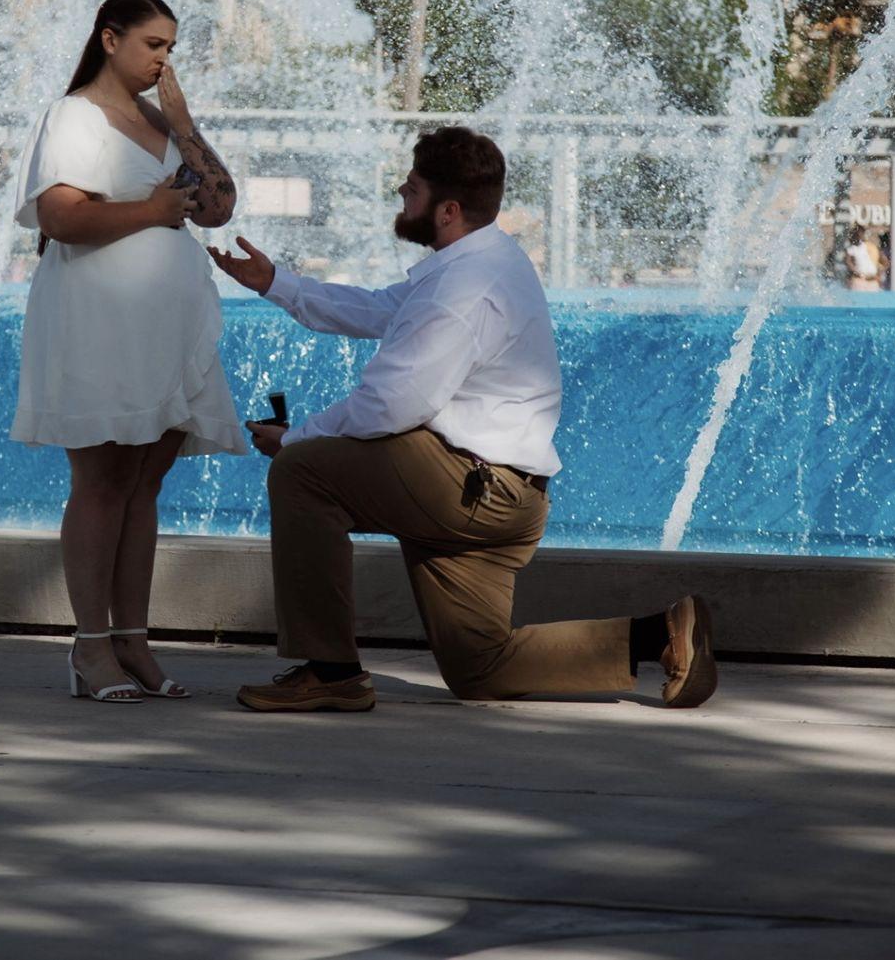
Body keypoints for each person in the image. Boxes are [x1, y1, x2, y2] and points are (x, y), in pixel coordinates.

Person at [208, 126, 717, 714]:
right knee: (479, 668)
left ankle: (330, 671)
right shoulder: (482, 260)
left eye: (413, 187)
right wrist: (276, 283)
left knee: (304, 472)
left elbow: (392, 403)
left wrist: (294, 438)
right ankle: (661, 634)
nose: (402, 192)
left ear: (447, 210)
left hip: (471, 486)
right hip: (504, 493)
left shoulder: (463, 289)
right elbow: (382, 309)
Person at [12, 0, 246, 704]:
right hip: (100, 322)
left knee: (144, 483)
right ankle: (90, 647)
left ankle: (133, 641)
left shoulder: (161, 120)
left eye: (171, 47)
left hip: (166, 329)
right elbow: (59, 216)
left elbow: (218, 206)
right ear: (110, 39)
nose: (163, 59)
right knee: (103, 481)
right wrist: (151, 209)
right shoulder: (74, 115)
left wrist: (184, 123)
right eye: (153, 44)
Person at [843, 225, 882, 293]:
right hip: (859, 280)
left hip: (872, 280)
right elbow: (848, 262)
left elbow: (881, 260)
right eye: (858, 235)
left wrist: (879, 273)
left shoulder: (869, 246)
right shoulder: (851, 249)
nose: (860, 236)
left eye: (861, 234)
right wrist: (856, 271)